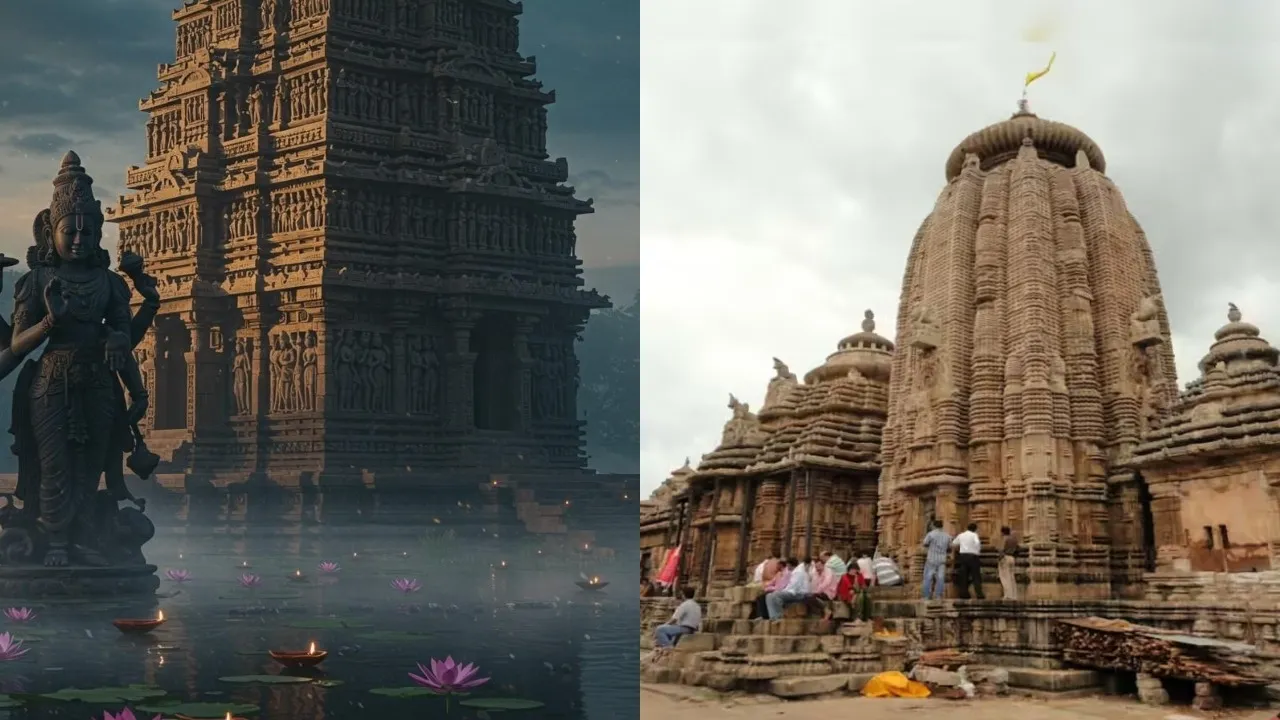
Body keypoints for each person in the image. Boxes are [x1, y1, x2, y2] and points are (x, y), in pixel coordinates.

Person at [952, 522, 985, 599]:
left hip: (963, 556)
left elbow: (953, 544)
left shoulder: (961, 535)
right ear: (975, 529)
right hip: (973, 556)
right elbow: (977, 544)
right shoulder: (974, 535)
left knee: (963, 576)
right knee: (976, 576)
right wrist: (976, 552)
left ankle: (964, 594)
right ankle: (979, 594)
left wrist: (960, 548)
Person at [921, 519, 951, 601]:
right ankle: (938, 596)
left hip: (931, 559)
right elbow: (949, 547)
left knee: (928, 577)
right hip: (942, 559)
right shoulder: (947, 535)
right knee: (940, 578)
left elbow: (925, 543)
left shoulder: (931, 534)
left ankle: (926, 596)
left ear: (934, 526)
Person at [997, 526, 1019, 600]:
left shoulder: (1004, 539)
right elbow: (1018, 549)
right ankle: (1014, 595)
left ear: (1002, 532)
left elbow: (1001, 549)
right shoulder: (1014, 540)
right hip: (1012, 558)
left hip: (1005, 557)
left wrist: (1000, 559)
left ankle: (1008, 595)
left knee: (1005, 577)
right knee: (1011, 577)